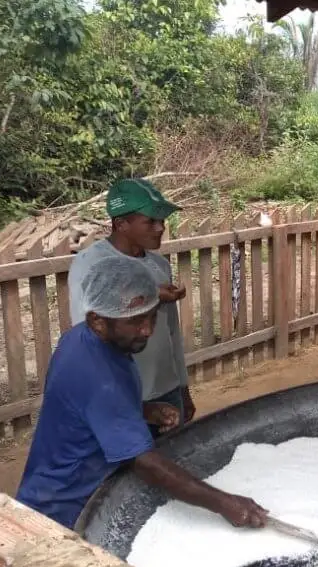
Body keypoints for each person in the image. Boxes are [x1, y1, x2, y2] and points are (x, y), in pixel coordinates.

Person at [17, 254, 268, 531]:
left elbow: (87, 410)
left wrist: (144, 410)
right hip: (62, 510)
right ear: (98, 321)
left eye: (151, 317)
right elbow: (144, 463)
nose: (147, 330)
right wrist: (225, 503)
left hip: (68, 489)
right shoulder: (97, 374)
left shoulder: (82, 339)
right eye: (136, 321)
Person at [69, 178, 192, 439]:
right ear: (121, 223)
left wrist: (182, 386)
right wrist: (150, 296)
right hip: (124, 395)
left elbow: (171, 333)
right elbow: (88, 331)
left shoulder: (159, 265)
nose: (160, 228)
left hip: (166, 388)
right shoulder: (91, 263)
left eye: (162, 221)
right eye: (150, 221)